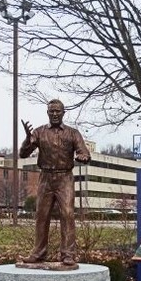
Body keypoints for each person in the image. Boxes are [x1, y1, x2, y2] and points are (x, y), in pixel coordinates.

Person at [19, 99, 91, 266]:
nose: (55, 114)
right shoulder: (39, 132)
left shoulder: (73, 133)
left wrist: (83, 156)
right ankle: (38, 252)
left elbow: (84, 151)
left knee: (67, 213)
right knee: (41, 215)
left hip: (65, 177)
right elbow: (23, 154)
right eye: (52, 111)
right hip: (45, 178)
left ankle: (68, 254)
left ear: (63, 113)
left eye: (58, 111)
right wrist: (27, 140)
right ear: (47, 113)